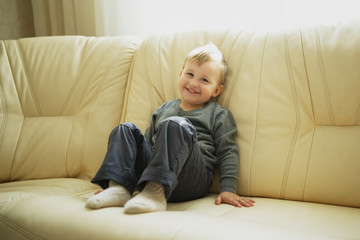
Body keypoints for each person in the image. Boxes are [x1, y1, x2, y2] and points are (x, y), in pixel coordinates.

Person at [85, 43, 255, 214]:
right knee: (125, 129)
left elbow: (227, 152)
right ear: (180, 74)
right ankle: (119, 188)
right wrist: (129, 176)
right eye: (190, 74)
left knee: (175, 124)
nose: (194, 83)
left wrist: (228, 189)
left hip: (192, 178)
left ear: (216, 90)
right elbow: (144, 145)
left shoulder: (218, 114)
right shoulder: (164, 108)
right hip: (154, 171)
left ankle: (156, 194)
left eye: (204, 80)